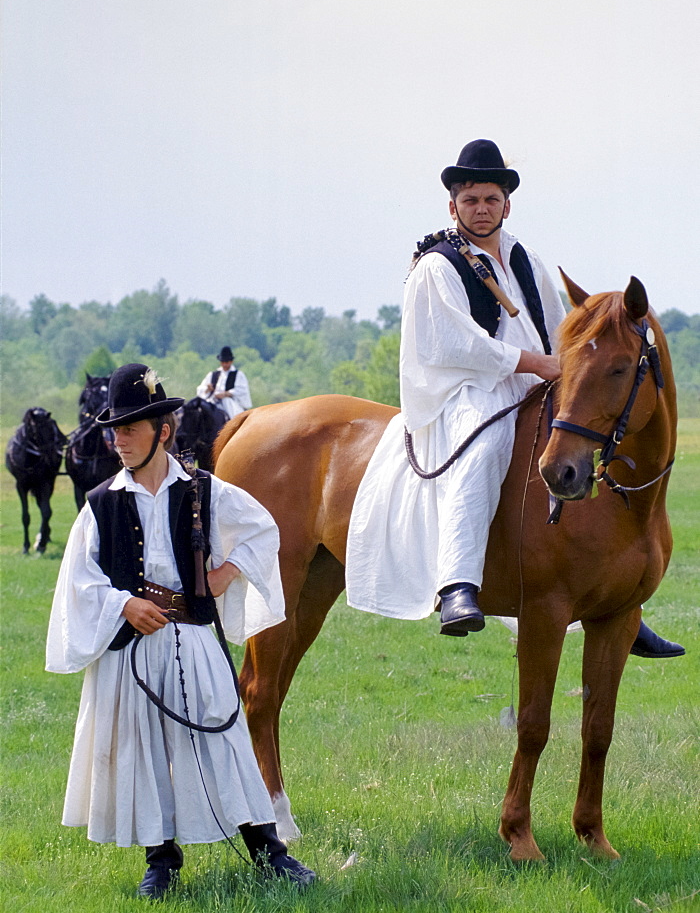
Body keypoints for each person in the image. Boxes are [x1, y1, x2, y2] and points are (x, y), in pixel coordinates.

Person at [346, 139, 684, 660]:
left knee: (586, 445)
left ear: (507, 203)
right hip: (465, 393)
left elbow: (557, 328)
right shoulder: (437, 266)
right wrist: (535, 363)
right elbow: (454, 344)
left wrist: (568, 367)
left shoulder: (525, 258)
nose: (481, 209)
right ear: (452, 205)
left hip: (531, 385)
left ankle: (619, 599)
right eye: (470, 200)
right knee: (480, 452)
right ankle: (458, 583)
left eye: (490, 199)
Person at [46, 364, 316, 900]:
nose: (118, 440)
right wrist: (123, 605)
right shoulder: (101, 503)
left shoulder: (202, 490)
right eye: (114, 430)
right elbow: (78, 580)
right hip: (133, 653)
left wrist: (224, 572)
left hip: (192, 638)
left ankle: (268, 850)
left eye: (130, 428)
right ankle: (161, 859)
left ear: (162, 430)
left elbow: (264, 530)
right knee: (144, 752)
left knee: (227, 743)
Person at [196, 346, 252, 420]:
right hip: (213, 400)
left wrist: (226, 394)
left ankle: (234, 424)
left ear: (231, 361)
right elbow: (201, 389)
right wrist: (208, 389)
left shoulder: (238, 375)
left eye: (226, 362)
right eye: (222, 362)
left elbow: (241, 390)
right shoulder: (213, 374)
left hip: (229, 403)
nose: (224, 364)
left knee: (228, 403)